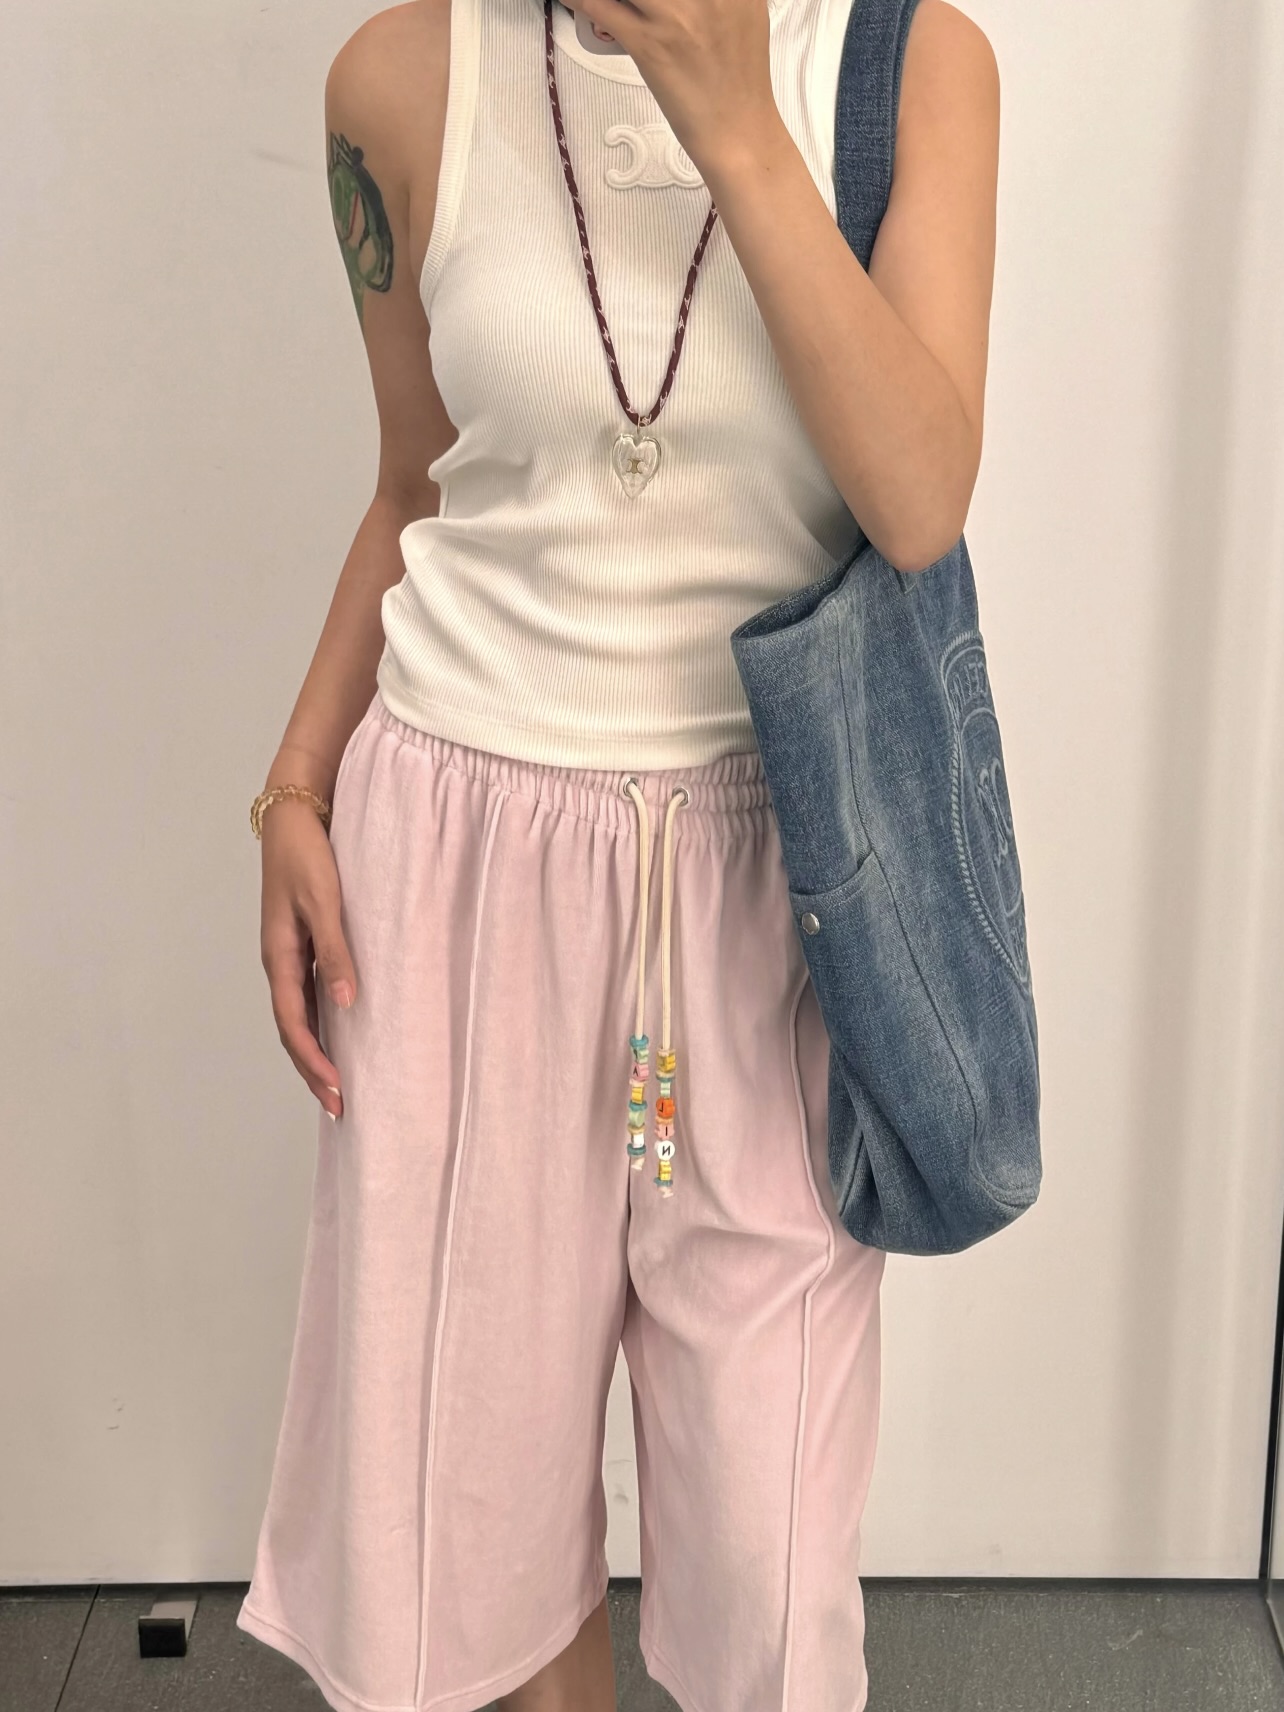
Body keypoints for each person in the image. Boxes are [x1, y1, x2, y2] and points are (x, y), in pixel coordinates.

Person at [236, 0, 999, 1707]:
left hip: (778, 889)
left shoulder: (908, 63)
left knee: (770, 1571)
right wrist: (293, 788)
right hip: (455, 874)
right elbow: (415, 483)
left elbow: (921, 497)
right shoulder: (400, 80)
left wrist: (731, 121)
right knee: (469, 1523)